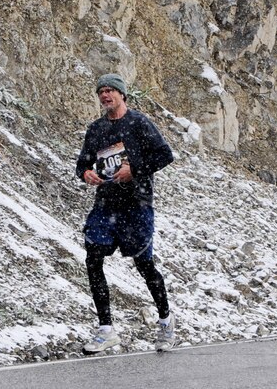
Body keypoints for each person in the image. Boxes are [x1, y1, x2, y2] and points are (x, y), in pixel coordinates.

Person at [76, 73, 176, 353]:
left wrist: (135, 169)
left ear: (122, 95)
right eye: (101, 92)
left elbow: (165, 155)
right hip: (106, 204)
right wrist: (86, 173)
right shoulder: (96, 129)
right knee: (93, 259)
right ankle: (106, 329)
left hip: (136, 204)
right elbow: (82, 163)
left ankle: (166, 321)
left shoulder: (139, 123)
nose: (106, 95)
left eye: (111, 91)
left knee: (145, 266)